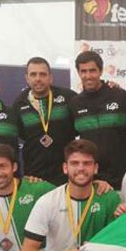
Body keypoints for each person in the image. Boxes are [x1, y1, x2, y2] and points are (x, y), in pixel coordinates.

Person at [70, 51, 126, 189]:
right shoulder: (75, 103)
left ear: (100, 70)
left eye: (92, 70)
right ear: (78, 72)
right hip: (93, 178)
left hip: (125, 176)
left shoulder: (120, 95)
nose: (88, 76)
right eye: (83, 71)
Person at [13, 57, 77, 185]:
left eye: (42, 74)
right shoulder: (19, 103)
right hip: (35, 175)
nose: (38, 78)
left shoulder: (68, 97)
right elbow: (21, 135)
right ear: (27, 78)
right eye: (33, 74)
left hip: (66, 173)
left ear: (50, 77)